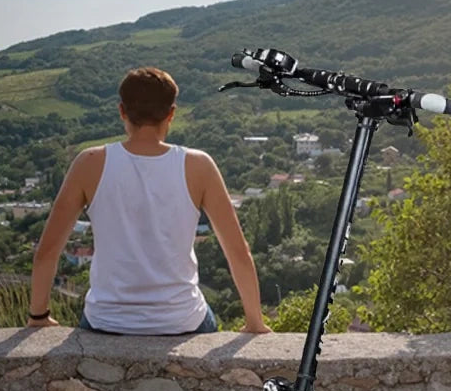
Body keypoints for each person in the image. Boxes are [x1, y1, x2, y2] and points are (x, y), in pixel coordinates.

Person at [26, 66, 271, 334]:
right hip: (182, 321)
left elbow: (47, 251)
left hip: (106, 321)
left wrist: (39, 316)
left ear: (122, 111)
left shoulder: (89, 163)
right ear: (171, 113)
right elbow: (238, 252)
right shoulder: (198, 166)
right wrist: (254, 322)